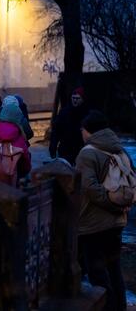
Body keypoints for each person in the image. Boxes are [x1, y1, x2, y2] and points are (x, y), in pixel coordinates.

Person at [76, 111, 129, 311]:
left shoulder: (88, 153)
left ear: (88, 131)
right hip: (117, 221)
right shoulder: (119, 149)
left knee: (97, 272)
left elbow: (88, 187)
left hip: (93, 223)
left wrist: (109, 202)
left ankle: (108, 308)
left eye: (82, 129)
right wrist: (119, 205)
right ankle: (120, 307)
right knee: (114, 269)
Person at [50, 87, 90, 165]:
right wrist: (53, 147)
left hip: (81, 149)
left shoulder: (87, 113)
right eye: (73, 98)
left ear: (82, 99)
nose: (75, 100)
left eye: (77, 98)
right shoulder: (64, 112)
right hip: (65, 149)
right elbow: (56, 131)